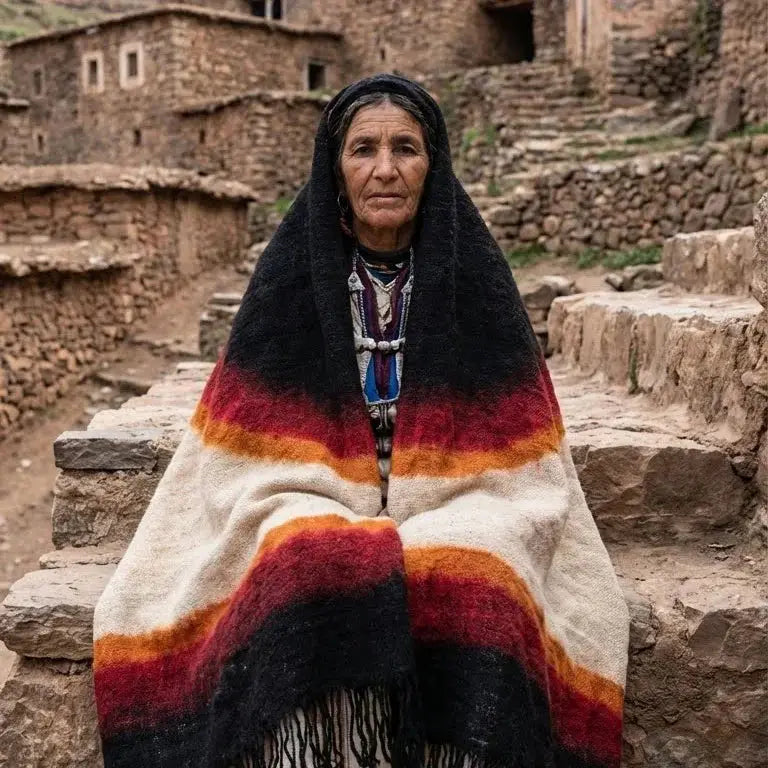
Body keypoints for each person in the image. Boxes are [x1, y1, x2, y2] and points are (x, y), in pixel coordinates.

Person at [92, 74, 630, 768]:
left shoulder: (479, 284)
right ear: (335, 167)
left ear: (432, 164)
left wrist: (426, 494)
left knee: (481, 573)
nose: (384, 169)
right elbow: (244, 447)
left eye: (405, 148)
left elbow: (519, 451)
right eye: (363, 149)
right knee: (304, 559)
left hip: (465, 491)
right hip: (304, 486)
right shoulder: (290, 283)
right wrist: (336, 497)